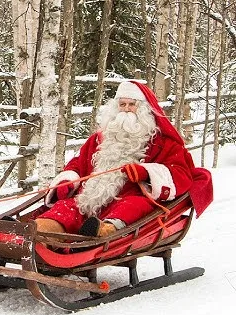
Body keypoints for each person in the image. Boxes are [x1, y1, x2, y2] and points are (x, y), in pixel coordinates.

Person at [35, 81, 213, 237]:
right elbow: (78, 164)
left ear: (144, 109)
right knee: (66, 207)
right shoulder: (98, 139)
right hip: (91, 198)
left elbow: (180, 172)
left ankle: (105, 230)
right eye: (122, 104)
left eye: (131, 105)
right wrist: (68, 180)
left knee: (133, 206)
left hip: (132, 197)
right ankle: (39, 231)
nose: (126, 109)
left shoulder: (163, 143)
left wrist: (146, 173)